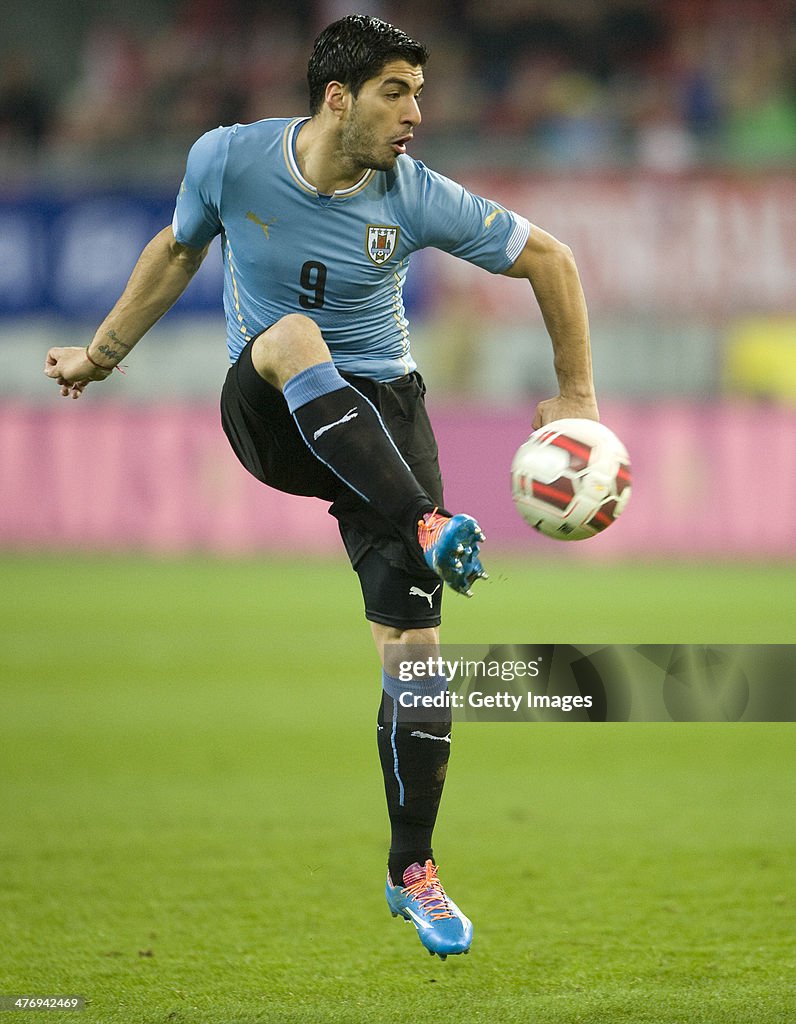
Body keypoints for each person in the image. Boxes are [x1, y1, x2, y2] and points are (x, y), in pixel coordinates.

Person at [44, 14, 598, 960]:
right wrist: (100, 355)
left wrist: (577, 395)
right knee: (295, 332)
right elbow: (177, 251)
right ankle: (424, 518)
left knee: (416, 661)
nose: (416, 112)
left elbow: (551, 258)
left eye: (420, 93)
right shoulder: (228, 160)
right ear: (337, 98)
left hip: (382, 412)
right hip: (270, 406)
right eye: (397, 92)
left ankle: (411, 872)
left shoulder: (412, 194)